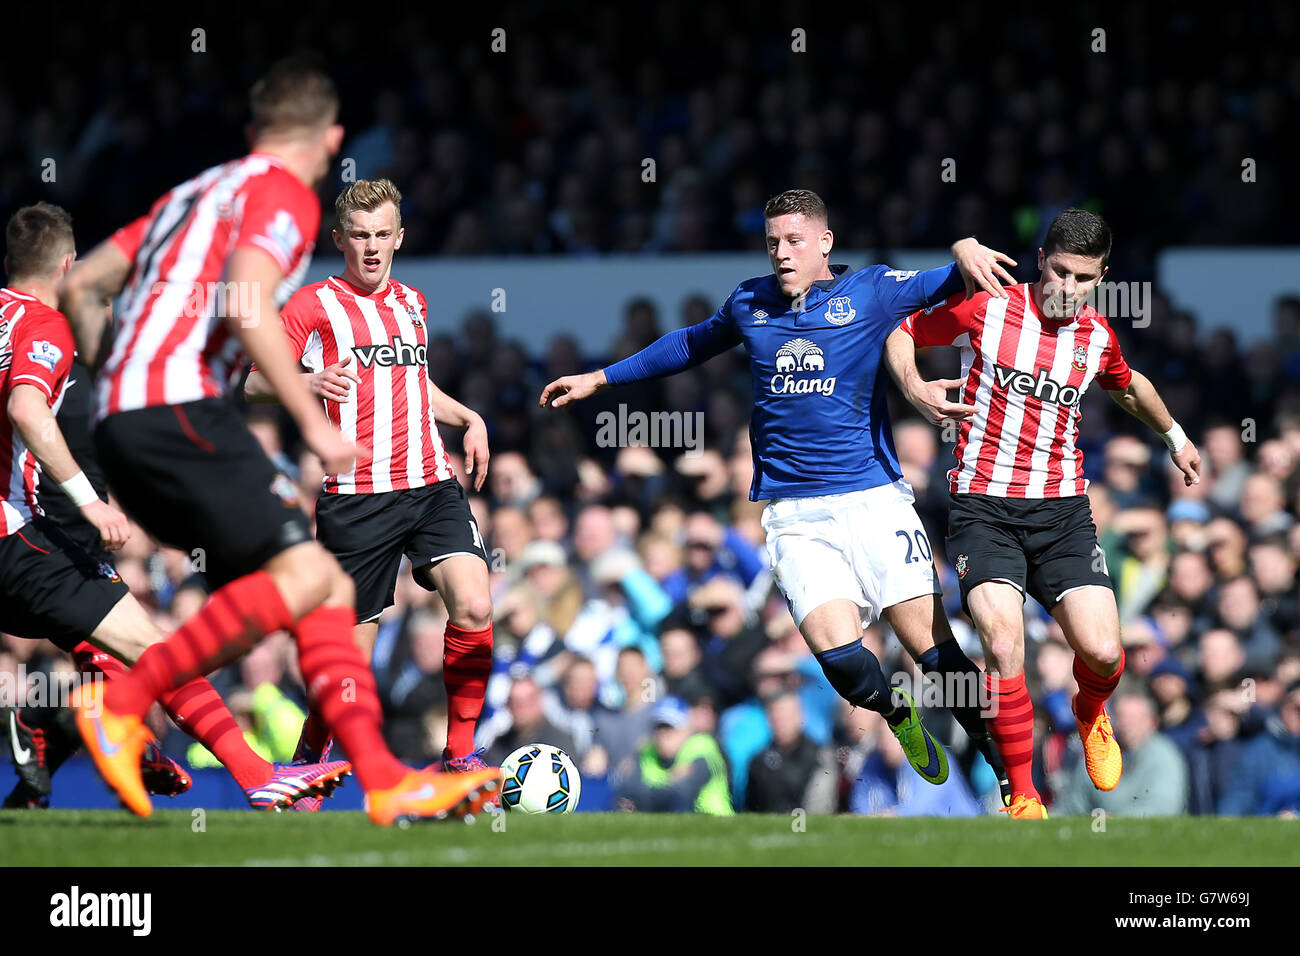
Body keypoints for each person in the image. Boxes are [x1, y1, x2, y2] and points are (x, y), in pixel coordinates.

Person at [60, 59, 497, 824]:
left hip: (133, 414)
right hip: (189, 410)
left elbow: (78, 285)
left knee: (316, 590)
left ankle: (386, 779)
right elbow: (252, 299)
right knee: (308, 588)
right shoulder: (281, 194)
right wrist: (312, 416)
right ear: (331, 138)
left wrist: (118, 375)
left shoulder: (192, 192)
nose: (369, 244)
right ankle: (124, 702)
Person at [541, 188, 1014, 797]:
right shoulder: (751, 302)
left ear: (825, 243)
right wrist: (599, 378)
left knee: (935, 652)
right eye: (773, 243)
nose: (782, 254)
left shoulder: (869, 291)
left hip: (874, 499)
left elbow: (949, 281)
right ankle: (898, 715)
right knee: (842, 662)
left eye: (794, 241)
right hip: (795, 515)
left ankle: (1013, 778)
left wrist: (963, 247)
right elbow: (689, 343)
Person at [0, 203, 345, 811]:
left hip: (37, 534)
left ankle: (72, 735)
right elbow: (28, 409)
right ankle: (254, 773)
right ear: (68, 266)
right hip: (24, 530)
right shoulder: (48, 325)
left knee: (112, 652)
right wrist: (92, 502)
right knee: (153, 649)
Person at [886, 207, 1204, 818]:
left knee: (1106, 652)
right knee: (1003, 644)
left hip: (1062, 513)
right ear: (1040, 261)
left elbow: (1127, 383)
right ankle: (1025, 797)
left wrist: (1177, 438)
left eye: (1083, 278)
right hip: (984, 506)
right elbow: (905, 329)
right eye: (1059, 272)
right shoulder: (989, 305)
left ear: (1102, 276)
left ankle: (1090, 711)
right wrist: (914, 386)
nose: (1067, 289)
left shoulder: (1096, 337)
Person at [243, 178, 496, 780]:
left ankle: (460, 754)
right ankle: (310, 760)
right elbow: (251, 380)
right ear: (340, 239)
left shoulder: (413, 302)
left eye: (383, 234)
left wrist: (468, 416)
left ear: (400, 237)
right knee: (346, 669)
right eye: (359, 236)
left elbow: (411, 385)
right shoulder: (311, 304)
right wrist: (303, 383)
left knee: (477, 601)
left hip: (431, 484)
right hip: (357, 501)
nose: (372, 247)